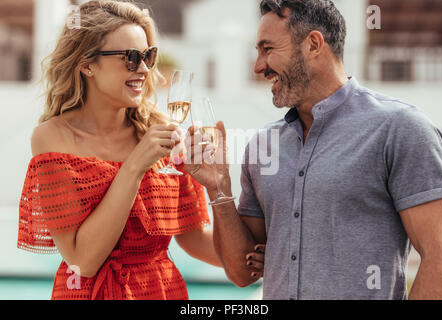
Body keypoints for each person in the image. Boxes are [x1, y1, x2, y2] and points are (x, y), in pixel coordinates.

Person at [182, 0, 442, 299]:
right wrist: (219, 189)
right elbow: (243, 273)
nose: (258, 67)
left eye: (267, 49)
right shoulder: (263, 145)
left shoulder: (400, 128)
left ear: (313, 44)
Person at [17, 0, 263, 300]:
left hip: (161, 291)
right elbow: (82, 261)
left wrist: (220, 194)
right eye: (131, 57)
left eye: (149, 55)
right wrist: (136, 165)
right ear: (86, 64)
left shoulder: (159, 129)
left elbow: (195, 239)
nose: (145, 69)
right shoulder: (52, 138)